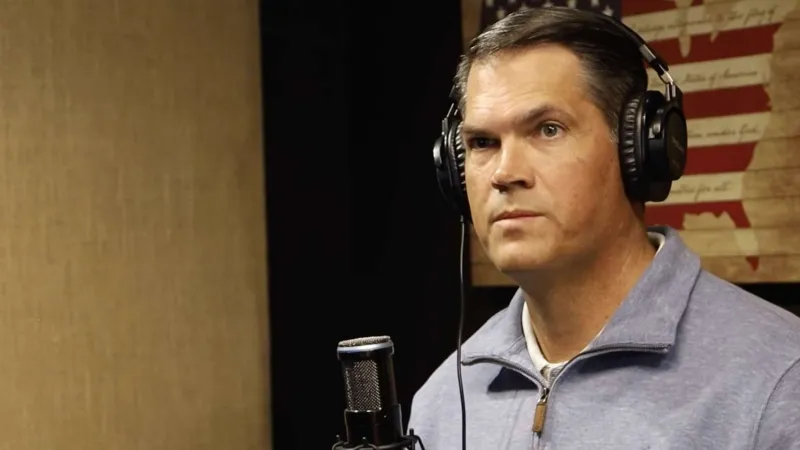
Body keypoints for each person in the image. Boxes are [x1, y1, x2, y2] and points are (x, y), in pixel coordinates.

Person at [409, 6, 800, 449]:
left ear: (638, 150)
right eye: (483, 142)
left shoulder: (779, 381)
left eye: (548, 130)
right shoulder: (442, 403)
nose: (505, 172)